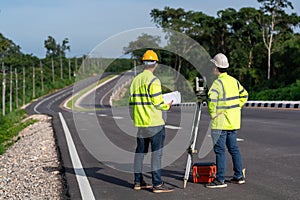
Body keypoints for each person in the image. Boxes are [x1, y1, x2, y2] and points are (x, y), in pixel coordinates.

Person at [129, 50, 174, 193]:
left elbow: (131, 103)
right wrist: (166, 105)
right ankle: (157, 184)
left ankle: (137, 182)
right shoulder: (154, 81)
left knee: (140, 153)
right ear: (155, 64)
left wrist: (136, 117)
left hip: (141, 124)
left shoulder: (135, 80)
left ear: (143, 63)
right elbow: (157, 102)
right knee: (157, 154)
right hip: (154, 123)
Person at [206, 53, 248, 189]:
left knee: (220, 151)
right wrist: (236, 107)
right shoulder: (234, 81)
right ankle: (238, 176)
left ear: (216, 67)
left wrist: (212, 114)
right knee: (234, 149)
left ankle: (220, 179)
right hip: (233, 121)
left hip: (221, 122)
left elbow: (211, 101)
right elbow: (245, 94)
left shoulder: (217, 83)